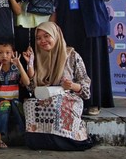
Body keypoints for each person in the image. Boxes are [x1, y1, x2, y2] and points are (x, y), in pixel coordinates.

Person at [54, 0, 115, 116]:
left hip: (91, 22)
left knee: (90, 63)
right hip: (70, 22)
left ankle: (93, 102)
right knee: (71, 63)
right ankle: (72, 100)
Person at [24, 22, 92, 151]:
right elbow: (31, 89)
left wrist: (72, 85)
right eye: (38, 38)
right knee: (29, 104)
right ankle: (40, 141)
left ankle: (67, 141)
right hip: (45, 97)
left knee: (57, 103)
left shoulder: (71, 56)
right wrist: (30, 65)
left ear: (56, 36)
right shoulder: (37, 58)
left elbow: (86, 86)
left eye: (46, 36)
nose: (42, 41)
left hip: (69, 97)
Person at [0, 41, 32, 149]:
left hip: (13, 101)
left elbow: (27, 83)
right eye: (0, 52)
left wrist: (19, 64)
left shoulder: (16, 68)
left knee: (17, 105)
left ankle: (26, 134)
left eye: (8, 53)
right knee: (5, 105)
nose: (4, 55)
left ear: (13, 53)